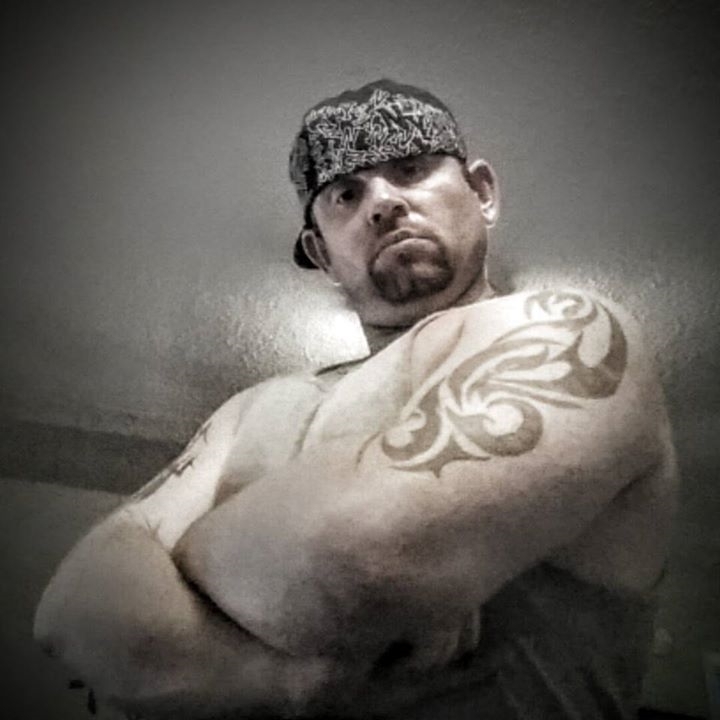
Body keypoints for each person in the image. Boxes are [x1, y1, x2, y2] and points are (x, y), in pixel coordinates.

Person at [34, 79, 678, 720]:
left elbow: (352, 563)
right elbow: (74, 608)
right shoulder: (252, 409)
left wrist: (172, 568)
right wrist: (284, 684)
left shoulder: (566, 329)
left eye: (412, 168)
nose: (384, 203)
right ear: (320, 251)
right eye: (346, 193)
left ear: (482, 192)